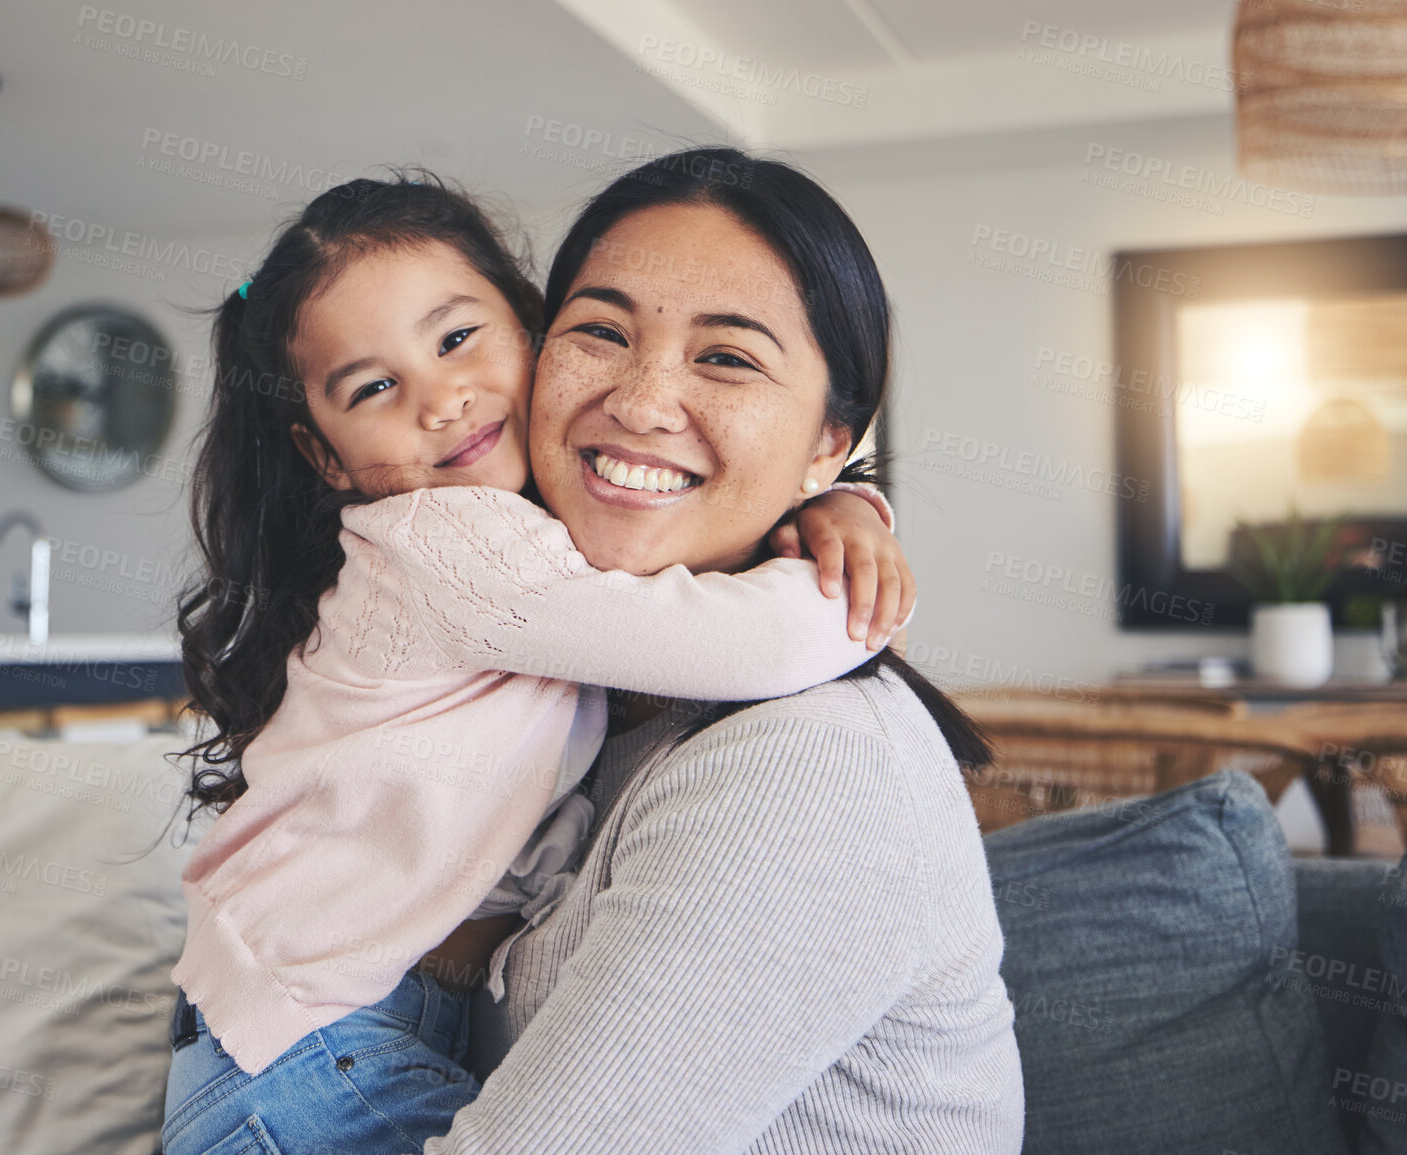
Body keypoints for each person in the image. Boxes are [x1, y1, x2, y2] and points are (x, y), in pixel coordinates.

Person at [161, 173, 919, 1155]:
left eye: (457, 339)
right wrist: (854, 583)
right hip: (316, 1050)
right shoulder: (452, 540)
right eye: (376, 388)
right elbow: (740, 639)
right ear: (328, 457)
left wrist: (833, 502)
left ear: (529, 331)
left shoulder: (543, 553)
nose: (441, 401)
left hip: (308, 1033)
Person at [426, 148, 1025, 1153]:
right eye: (600, 332)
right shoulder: (559, 679)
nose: (642, 399)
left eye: (729, 358)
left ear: (831, 442)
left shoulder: (808, 765)